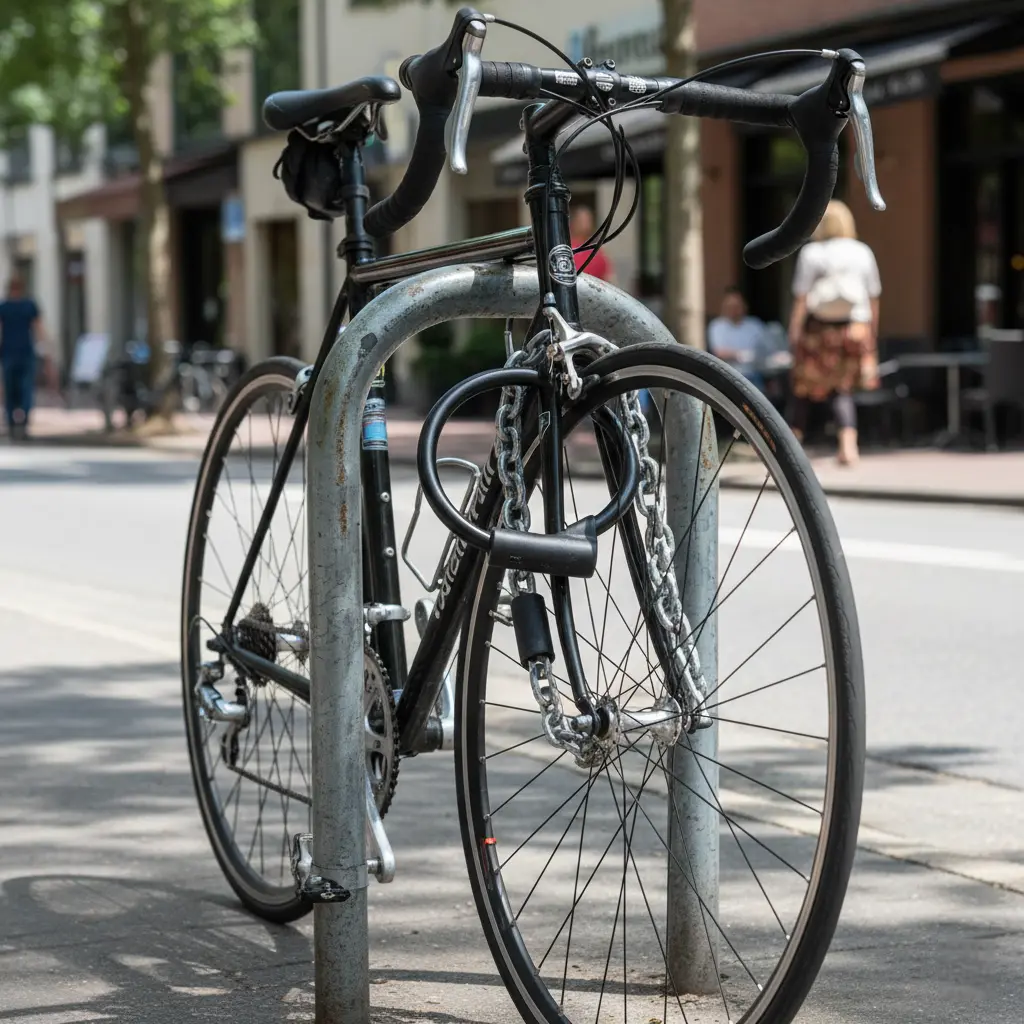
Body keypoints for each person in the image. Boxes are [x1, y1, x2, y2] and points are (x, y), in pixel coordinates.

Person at [787, 200, 882, 466]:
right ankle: (848, 447)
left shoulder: (812, 253)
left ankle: (789, 447)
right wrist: (872, 333)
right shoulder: (862, 252)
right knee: (842, 389)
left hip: (819, 331)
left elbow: (801, 298)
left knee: (803, 389)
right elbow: (874, 297)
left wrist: (794, 332)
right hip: (854, 329)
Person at [0, 276, 49, 440]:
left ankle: (12, 422)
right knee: (26, 388)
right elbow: (38, 328)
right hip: (25, 353)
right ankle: (25, 422)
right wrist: (45, 349)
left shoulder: (4, 307)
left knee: (10, 389)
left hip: (8, 353)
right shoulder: (29, 306)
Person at [707, 287, 767, 387]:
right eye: (730, 306)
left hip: (755, 375)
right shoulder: (717, 326)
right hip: (729, 377)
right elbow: (719, 352)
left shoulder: (755, 325)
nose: (733, 310)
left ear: (744, 306)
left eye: (736, 306)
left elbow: (766, 348)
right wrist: (742, 355)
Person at [569, 206, 613, 282]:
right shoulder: (567, 247)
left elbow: (608, 278)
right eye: (581, 221)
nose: (585, 224)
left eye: (588, 221)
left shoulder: (598, 250)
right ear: (574, 223)